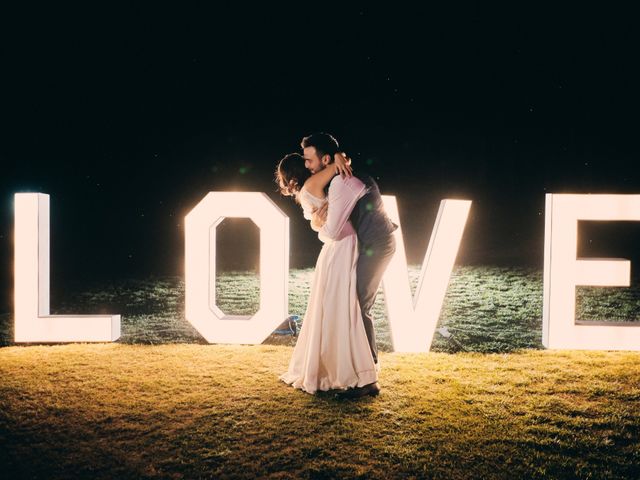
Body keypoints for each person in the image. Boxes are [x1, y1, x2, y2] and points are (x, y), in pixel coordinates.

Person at [302, 133, 397, 398]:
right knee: (356, 304)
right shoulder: (340, 177)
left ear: (326, 158)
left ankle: (367, 379)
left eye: (310, 160)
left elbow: (332, 231)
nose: (307, 166)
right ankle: (363, 373)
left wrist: (320, 221)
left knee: (358, 304)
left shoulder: (343, 183)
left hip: (377, 246)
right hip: (375, 243)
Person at [276, 152, 378, 395]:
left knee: (333, 307)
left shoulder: (309, 188)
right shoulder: (313, 184)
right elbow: (334, 170)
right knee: (342, 306)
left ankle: (336, 366)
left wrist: (338, 157)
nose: (310, 165)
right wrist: (339, 160)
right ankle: (348, 368)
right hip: (341, 246)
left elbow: (322, 221)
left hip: (335, 247)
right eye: (307, 163)